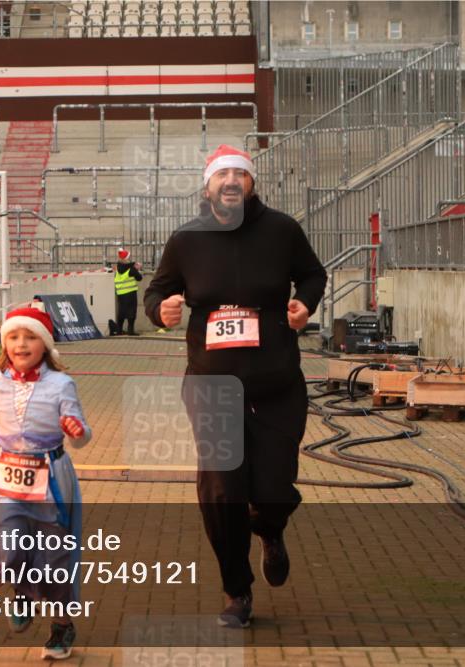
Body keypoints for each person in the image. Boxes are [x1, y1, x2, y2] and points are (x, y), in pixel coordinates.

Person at [143, 145, 327, 628]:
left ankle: (269, 528)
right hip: (211, 383)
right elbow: (157, 289)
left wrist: (305, 304)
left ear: (251, 184)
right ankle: (236, 591)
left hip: (276, 382)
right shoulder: (187, 239)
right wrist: (160, 311)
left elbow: (312, 274)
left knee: (271, 486)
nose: (230, 180)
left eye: (239, 174)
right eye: (221, 173)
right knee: (222, 488)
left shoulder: (282, 230)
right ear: (207, 187)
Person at [0, 307, 91, 660]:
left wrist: (76, 432)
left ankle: (62, 625)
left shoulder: (62, 384)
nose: (21, 344)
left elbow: (81, 434)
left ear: (46, 344)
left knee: (54, 556)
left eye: (31, 336)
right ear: (4, 343)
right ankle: (22, 592)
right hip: (6, 478)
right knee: (7, 542)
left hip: (51, 479)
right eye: (14, 336)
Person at [110, 248, 142, 336]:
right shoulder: (131, 269)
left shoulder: (117, 268)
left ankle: (119, 330)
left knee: (121, 312)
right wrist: (138, 269)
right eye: (128, 257)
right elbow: (139, 278)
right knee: (131, 312)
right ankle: (130, 330)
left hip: (121, 294)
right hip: (130, 293)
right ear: (126, 259)